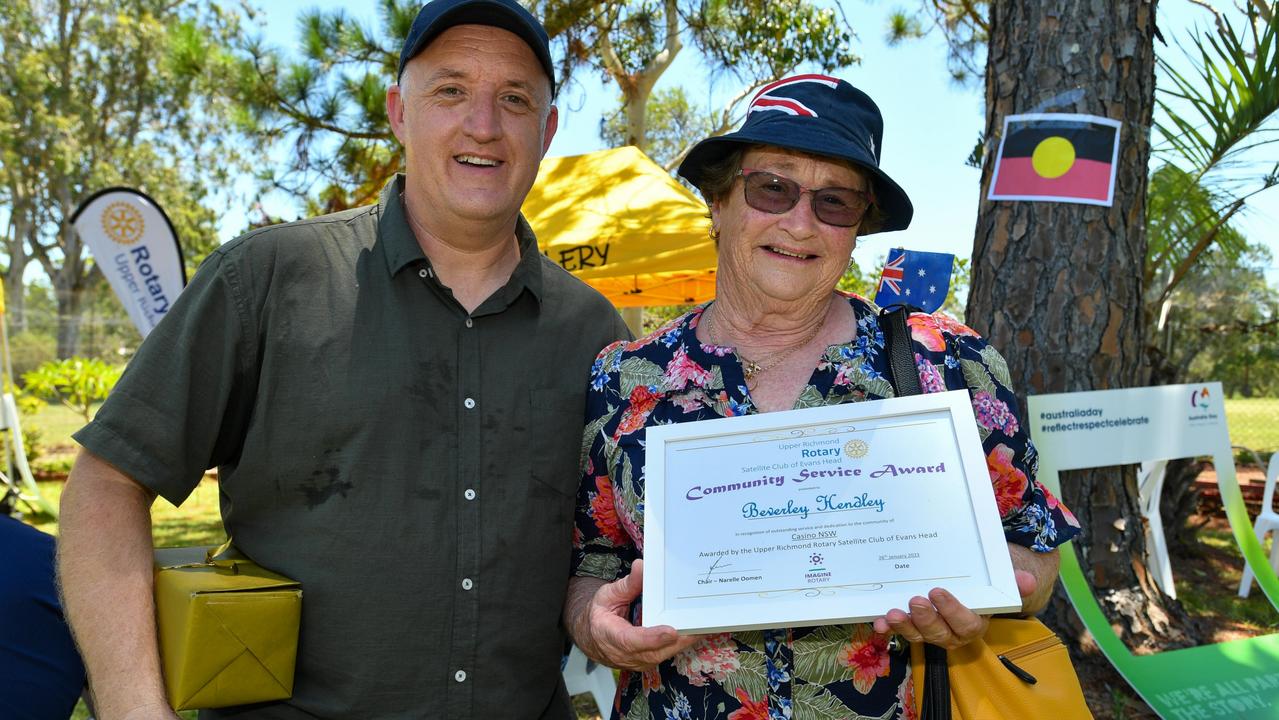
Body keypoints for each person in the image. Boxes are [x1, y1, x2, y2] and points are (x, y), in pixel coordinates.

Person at [56, 1, 629, 718]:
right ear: (397, 110)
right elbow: (107, 482)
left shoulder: (596, 333)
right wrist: (133, 705)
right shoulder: (266, 279)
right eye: (449, 90)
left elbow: (603, 547)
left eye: (514, 99)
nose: (482, 124)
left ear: (545, 130)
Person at [564, 74, 1083, 719]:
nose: (800, 222)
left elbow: (1037, 557)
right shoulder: (625, 378)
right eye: (772, 188)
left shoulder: (946, 363)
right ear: (719, 201)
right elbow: (594, 563)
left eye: (835, 202)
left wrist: (979, 587)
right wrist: (597, 630)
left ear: (858, 227)